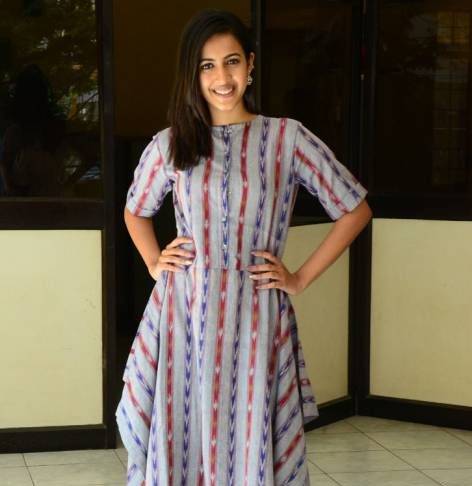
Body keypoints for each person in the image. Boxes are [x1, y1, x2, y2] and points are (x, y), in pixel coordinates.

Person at [115, 8, 372, 486]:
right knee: (181, 435)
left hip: (255, 314)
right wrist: (154, 261)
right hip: (183, 313)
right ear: (193, 75)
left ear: (250, 64)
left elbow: (354, 209)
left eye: (231, 61)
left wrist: (299, 278)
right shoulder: (171, 143)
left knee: (249, 434)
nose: (222, 78)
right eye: (207, 66)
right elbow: (135, 211)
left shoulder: (286, 138)